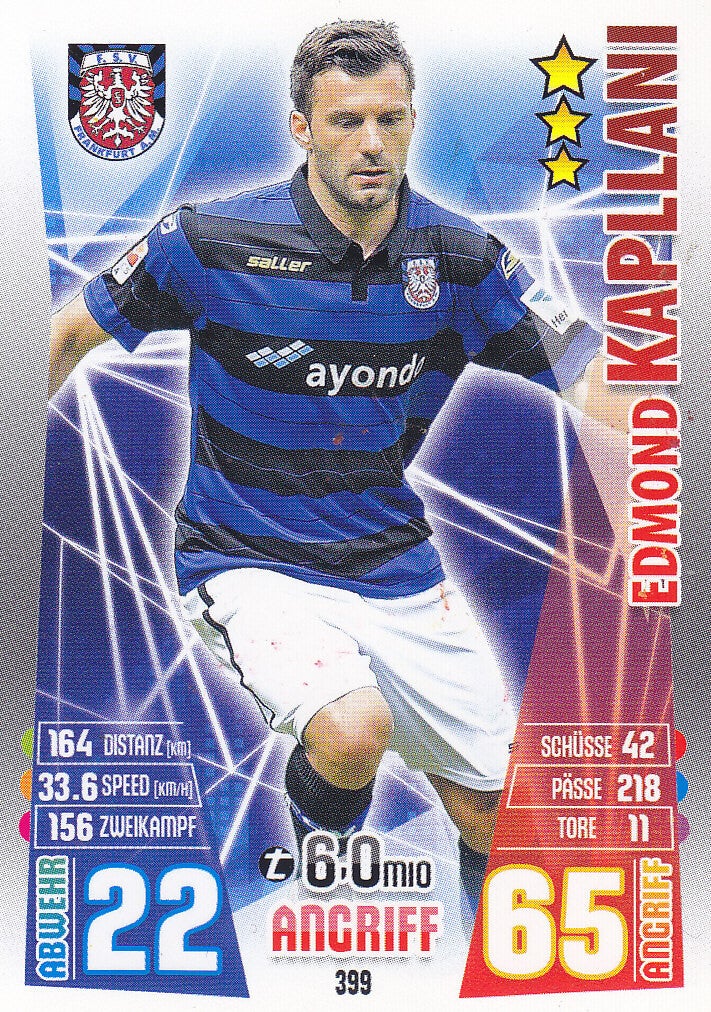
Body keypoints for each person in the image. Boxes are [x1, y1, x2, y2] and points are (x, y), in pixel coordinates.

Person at [49, 20, 605, 919]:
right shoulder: (210, 239)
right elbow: (66, 336)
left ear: (413, 120)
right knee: (353, 731)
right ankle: (324, 851)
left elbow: (588, 374)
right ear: (302, 128)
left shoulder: (463, 259)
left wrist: (672, 440)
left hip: (392, 564)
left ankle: (476, 967)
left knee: (495, 818)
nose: (372, 143)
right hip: (244, 556)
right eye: (347, 121)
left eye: (391, 119)